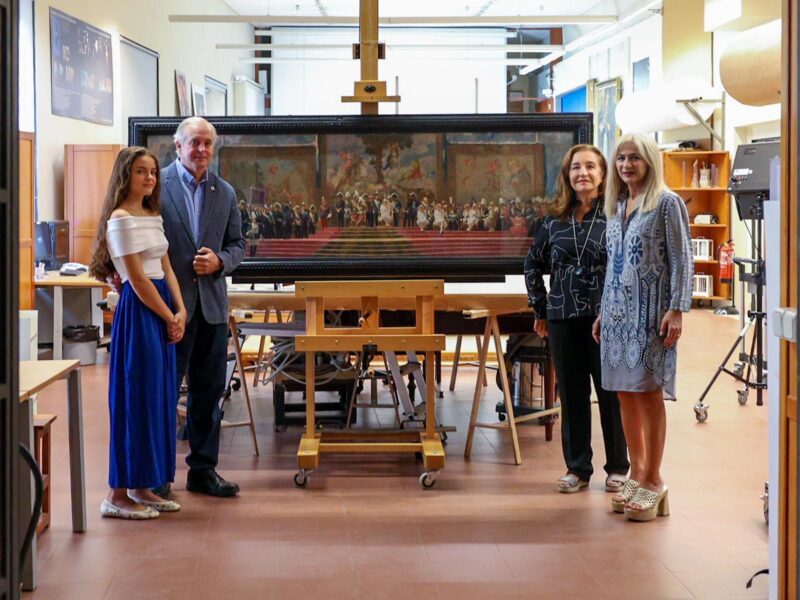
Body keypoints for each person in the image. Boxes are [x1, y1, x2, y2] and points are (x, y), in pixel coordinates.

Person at [592, 132, 693, 522]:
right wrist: (602, 310)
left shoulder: (666, 204)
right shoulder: (616, 205)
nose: (626, 165)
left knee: (648, 394)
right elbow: (613, 263)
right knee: (623, 395)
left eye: (635, 157)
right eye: (620, 158)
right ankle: (636, 471)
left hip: (651, 315)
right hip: (617, 315)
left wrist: (678, 308)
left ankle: (654, 479)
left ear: (650, 161)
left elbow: (682, 259)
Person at [524, 144, 629, 495]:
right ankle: (577, 468)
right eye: (575, 168)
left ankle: (617, 467)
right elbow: (532, 265)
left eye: (589, 167)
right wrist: (540, 308)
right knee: (571, 394)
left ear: (602, 174)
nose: (582, 173)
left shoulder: (618, 215)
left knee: (611, 392)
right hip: (563, 316)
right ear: (567, 176)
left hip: (608, 318)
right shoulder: (553, 222)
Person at [89, 147, 185, 519]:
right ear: (125, 176)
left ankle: (143, 485)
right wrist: (167, 316)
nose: (149, 178)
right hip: (141, 310)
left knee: (158, 397)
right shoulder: (120, 218)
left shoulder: (151, 213)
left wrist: (181, 310)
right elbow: (138, 279)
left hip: (162, 307)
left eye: (153, 172)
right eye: (141, 172)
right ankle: (117, 494)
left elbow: (167, 268)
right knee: (135, 396)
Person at [160, 116, 246, 497]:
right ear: (178, 146)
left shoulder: (224, 192)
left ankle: (203, 472)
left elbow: (238, 245)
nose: (202, 150)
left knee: (208, 395)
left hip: (211, 308)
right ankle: (159, 475)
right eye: (195, 142)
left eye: (208, 143)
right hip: (169, 310)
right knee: (164, 393)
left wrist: (220, 263)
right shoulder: (154, 186)